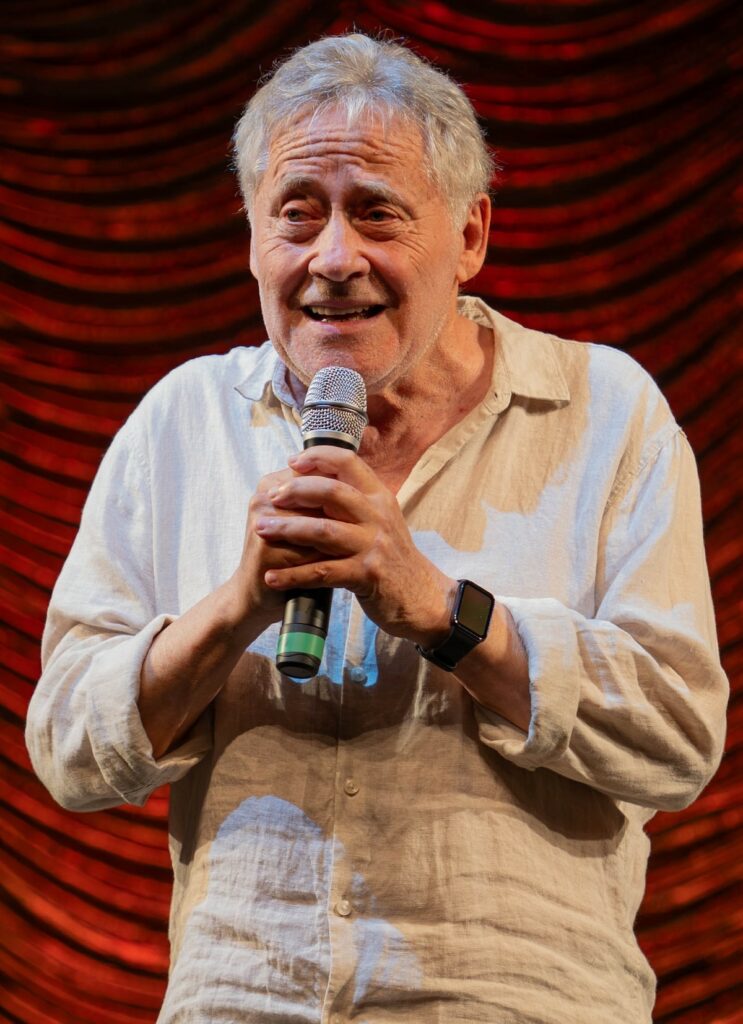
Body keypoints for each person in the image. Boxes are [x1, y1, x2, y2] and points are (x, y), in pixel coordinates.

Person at [26, 33, 728, 1024]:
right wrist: (235, 608)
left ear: (470, 235)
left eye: (375, 212)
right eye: (295, 214)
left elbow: (675, 737)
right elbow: (67, 749)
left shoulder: (602, 410)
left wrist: (442, 610)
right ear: (252, 239)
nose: (332, 258)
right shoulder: (183, 419)